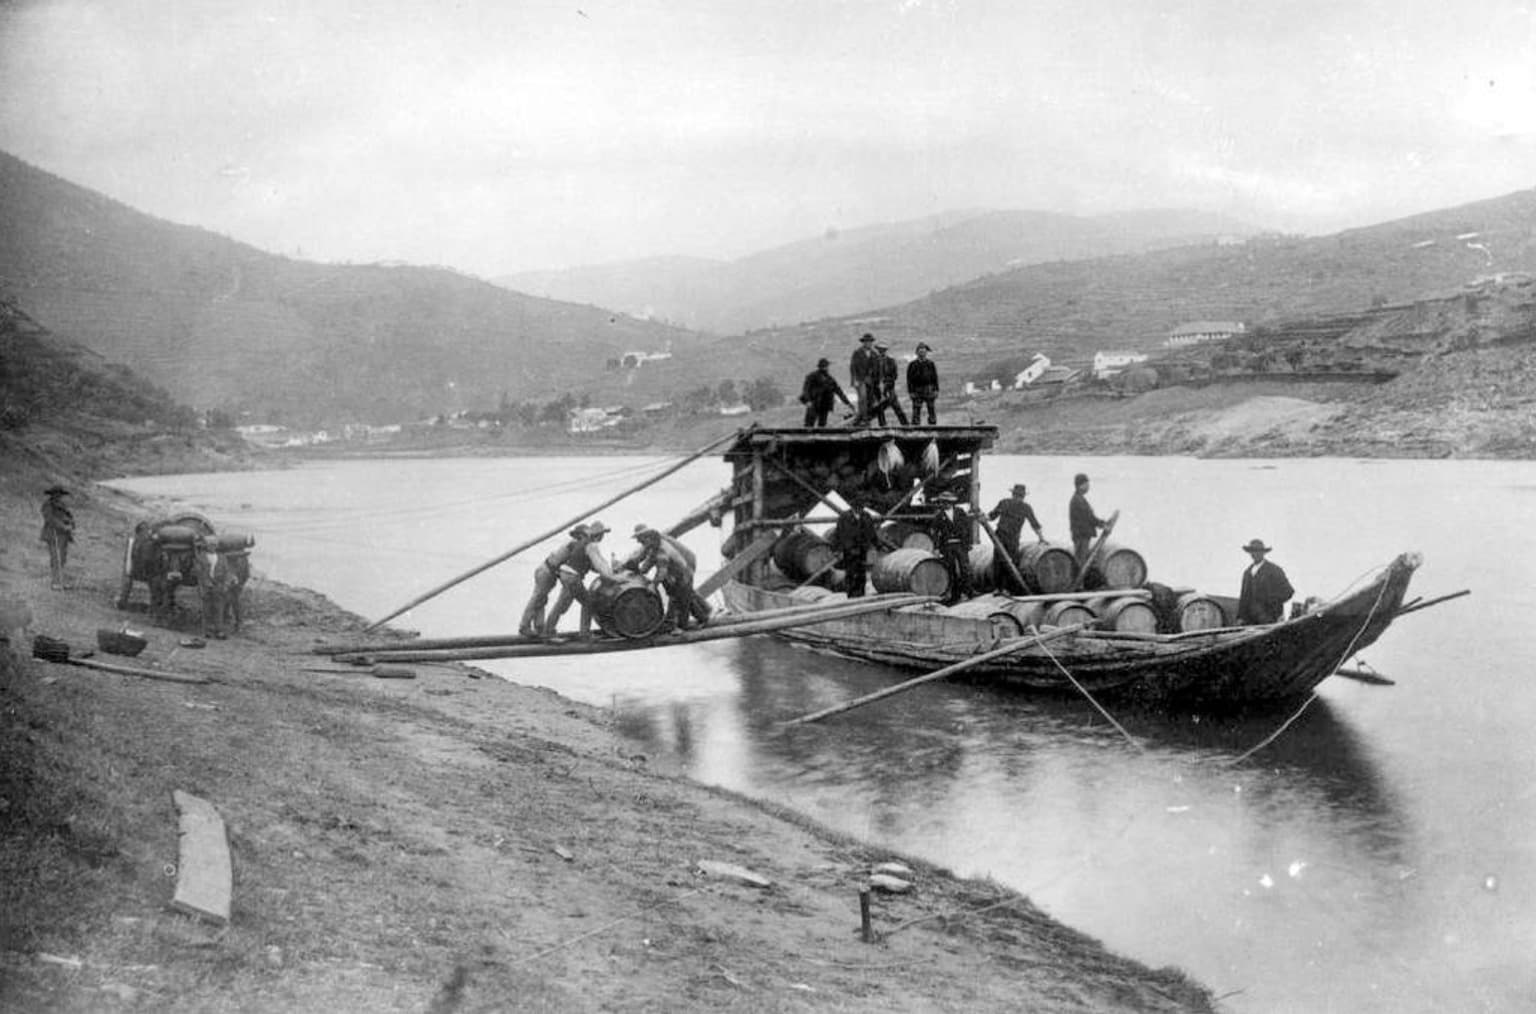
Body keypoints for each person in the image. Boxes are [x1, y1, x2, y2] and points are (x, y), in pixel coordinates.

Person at [543, 520, 620, 638]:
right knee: (586, 603)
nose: (603, 537)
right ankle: (581, 633)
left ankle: (551, 631)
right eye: (603, 534)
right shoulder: (592, 545)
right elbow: (599, 565)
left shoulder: (583, 542)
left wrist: (603, 571)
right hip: (572, 577)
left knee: (563, 604)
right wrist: (612, 578)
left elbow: (588, 563)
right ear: (599, 534)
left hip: (566, 574)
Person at [631, 524, 711, 629]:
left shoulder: (662, 550)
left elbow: (661, 573)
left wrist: (653, 585)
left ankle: (683, 626)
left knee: (683, 599)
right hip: (675, 573)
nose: (638, 542)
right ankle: (704, 616)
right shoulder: (653, 546)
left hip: (684, 572)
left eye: (640, 539)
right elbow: (647, 560)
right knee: (685, 596)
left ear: (648, 537)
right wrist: (640, 570)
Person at [519, 524, 588, 636]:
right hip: (547, 572)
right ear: (581, 535)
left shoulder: (573, 544)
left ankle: (539, 626)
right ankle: (524, 626)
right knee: (537, 598)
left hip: (548, 572)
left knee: (541, 599)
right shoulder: (574, 545)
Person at [987, 483, 1045, 593]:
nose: (1018, 498)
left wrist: (1041, 537)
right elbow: (992, 516)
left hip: (1012, 537)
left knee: (1010, 561)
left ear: (1022, 497)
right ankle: (999, 588)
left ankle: (1008, 587)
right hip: (1001, 536)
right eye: (1016, 495)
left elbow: (1034, 523)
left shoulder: (1024, 507)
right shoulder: (1005, 503)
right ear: (1013, 495)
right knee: (1001, 560)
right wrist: (984, 517)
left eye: (1020, 496)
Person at [929, 491, 973, 605]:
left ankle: (968, 592)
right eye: (943, 502)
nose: (945, 504)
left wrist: (968, 543)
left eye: (948, 502)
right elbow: (935, 533)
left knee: (965, 569)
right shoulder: (939, 516)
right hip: (947, 546)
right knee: (951, 570)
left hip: (960, 545)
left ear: (952, 502)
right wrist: (937, 548)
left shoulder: (960, 512)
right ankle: (955, 595)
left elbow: (968, 528)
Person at [1236, 539, 1295, 625]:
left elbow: (1289, 591)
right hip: (1249, 620)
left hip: (1269, 618)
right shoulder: (1247, 573)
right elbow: (1243, 597)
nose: (1254, 554)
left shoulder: (1274, 570)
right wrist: (1240, 617)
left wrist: (1271, 603)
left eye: (1257, 551)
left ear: (1263, 553)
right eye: (1252, 551)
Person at [830, 496, 878, 598]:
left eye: (861, 507)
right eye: (857, 507)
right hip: (849, 550)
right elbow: (838, 533)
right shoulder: (844, 517)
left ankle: (860, 594)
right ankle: (851, 595)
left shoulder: (866, 516)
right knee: (850, 573)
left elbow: (872, 532)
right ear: (853, 507)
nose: (859, 509)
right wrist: (836, 549)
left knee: (861, 574)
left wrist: (876, 545)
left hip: (862, 549)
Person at [799, 358, 853, 427]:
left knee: (821, 425)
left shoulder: (830, 379)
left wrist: (848, 403)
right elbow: (806, 390)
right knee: (809, 425)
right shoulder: (812, 376)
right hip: (814, 404)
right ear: (823, 366)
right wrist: (808, 401)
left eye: (827, 366)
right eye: (826, 366)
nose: (827, 368)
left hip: (824, 405)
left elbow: (839, 392)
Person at [1068, 473, 1108, 566]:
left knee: (1082, 560)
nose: (1088, 487)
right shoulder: (1078, 500)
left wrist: (1102, 523)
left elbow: (1089, 516)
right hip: (1081, 535)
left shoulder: (1079, 499)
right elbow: (1088, 517)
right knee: (1081, 562)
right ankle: (1079, 580)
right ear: (1079, 486)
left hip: (1082, 535)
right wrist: (1102, 525)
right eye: (1086, 484)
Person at [40, 485, 75, 590]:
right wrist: (63, 526)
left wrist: (71, 523)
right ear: (53, 495)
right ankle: (55, 582)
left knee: (62, 558)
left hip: (63, 535)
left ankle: (60, 581)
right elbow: (50, 519)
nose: (59, 496)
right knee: (56, 559)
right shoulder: (47, 505)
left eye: (60, 494)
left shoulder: (62, 505)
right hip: (53, 534)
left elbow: (68, 517)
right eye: (57, 494)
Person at [848, 332, 882, 425]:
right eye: (867, 342)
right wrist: (854, 380)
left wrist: (878, 381)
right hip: (860, 380)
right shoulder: (857, 353)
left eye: (870, 342)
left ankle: (866, 419)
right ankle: (862, 418)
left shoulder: (875, 354)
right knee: (862, 398)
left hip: (871, 381)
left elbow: (878, 369)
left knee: (870, 400)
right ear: (863, 342)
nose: (868, 343)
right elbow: (853, 367)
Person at [874, 341, 910, 426]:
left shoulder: (891, 361)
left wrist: (886, 383)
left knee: (896, 406)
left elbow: (895, 376)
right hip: (878, 388)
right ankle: (883, 426)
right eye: (880, 350)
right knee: (880, 409)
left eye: (883, 350)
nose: (881, 351)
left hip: (889, 388)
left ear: (885, 350)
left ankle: (906, 425)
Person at [907, 343, 939, 425]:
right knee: (916, 409)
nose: (922, 353)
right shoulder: (912, 365)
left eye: (924, 352)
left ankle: (932, 425)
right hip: (917, 389)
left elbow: (935, 378)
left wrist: (936, 390)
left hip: (929, 389)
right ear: (917, 353)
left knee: (931, 408)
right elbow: (909, 380)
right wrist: (910, 392)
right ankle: (915, 426)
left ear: (926, 353)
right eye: (920, 351)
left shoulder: (930, 364)